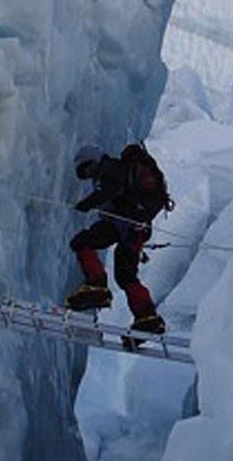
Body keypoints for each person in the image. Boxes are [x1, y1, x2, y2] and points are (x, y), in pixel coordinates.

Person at [66, 143, 173, 342]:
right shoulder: (125, 171)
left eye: (86, 168)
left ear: (94, 161)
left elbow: (113, 189)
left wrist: (86, 204)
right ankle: (147, 318)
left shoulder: (111, 167)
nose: (87, 174)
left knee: (82, 242)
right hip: (135, 229)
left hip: (120, 223)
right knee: (126, 276)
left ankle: (97, 287)